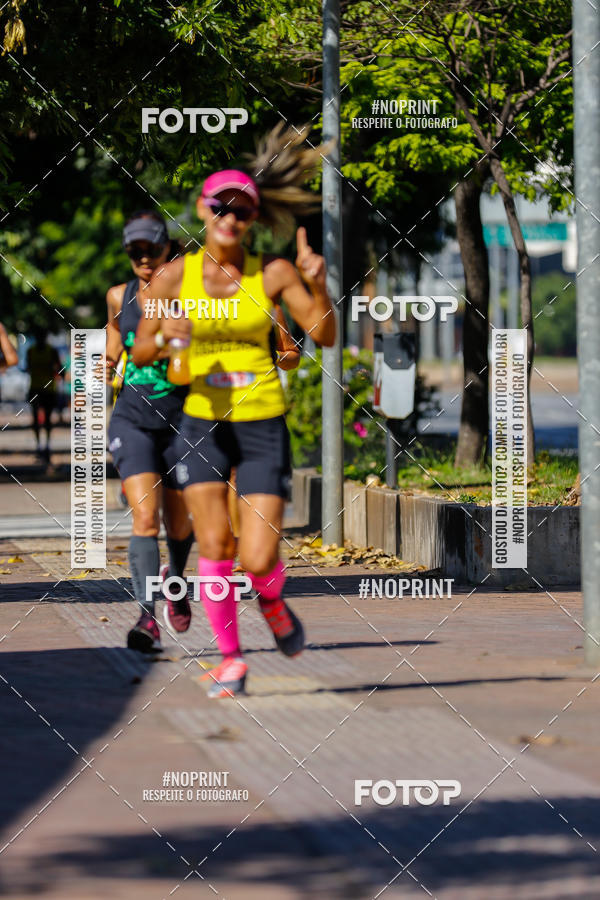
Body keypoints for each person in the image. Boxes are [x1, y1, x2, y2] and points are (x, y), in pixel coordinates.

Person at [133, 124, 335, 697]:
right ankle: (230, 660)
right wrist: (167, 334)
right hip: (201, 423)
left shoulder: (271, 273)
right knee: (216, 548)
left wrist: (318, 289)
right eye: (220, 207)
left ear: (252, 219)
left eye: (241, 211)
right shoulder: (174, 276)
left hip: (262, 422)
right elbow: (141, 349)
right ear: (202, 209)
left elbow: (324, 335)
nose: (229, 217)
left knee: (258, 553)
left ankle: (270, 599)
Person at [105, 210, 194, 652]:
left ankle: (176, 580)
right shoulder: (119, 295)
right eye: (134, 251)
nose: (142, 258)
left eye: (150, 249)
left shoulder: (191, 293)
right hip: (133, 418)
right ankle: (146, 618)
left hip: (183, 421)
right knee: (145, 517)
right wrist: (107, 356)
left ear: (168, 248)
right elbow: (114, 332)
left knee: (178, 523)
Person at [26, 329, 62, 463]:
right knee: (35, 419)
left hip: (48, 390)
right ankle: (39, 447)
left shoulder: (52, 351)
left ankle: (46, 446)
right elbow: (28, 367)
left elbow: (60, 368)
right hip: (35, 388)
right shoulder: (31, 351)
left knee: (47, 419)